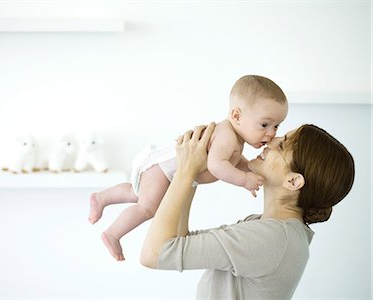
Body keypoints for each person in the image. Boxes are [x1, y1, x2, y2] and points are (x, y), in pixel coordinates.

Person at [140, 122, 355, 299]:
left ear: (292, 181)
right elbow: (180, 241)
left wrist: (185, 171)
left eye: (282, 146)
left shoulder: (271, 238)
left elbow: (154, 254)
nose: (272, 140)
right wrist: (192, 175)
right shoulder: (272, 230)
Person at [89, 75, 288, 261]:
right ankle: (113, 234)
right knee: (148, 208)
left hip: (165, 171)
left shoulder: (235, 138)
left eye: (276, 127)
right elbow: (217, 165)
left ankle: (102, 197)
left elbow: (235, 161)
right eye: (264, 125)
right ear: (237, 116)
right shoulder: (227, 136)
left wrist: (250, 170)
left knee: (137, 193)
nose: (271, 133)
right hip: (164, 170)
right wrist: (244, 180)